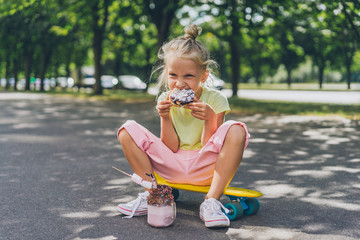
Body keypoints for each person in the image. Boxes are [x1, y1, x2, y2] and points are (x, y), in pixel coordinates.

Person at [116, 24, 250, 228]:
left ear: (203, 76)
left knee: (237, 128)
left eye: (188, 76)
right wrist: (166, 117)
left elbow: (210, 146)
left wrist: (210, 119)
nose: (180, 83)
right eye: (173, 76)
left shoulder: (216, 99)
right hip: (171, 165)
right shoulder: (164, 97)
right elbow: (170, 147)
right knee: (127, 129)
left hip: (205, 167)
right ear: (166, 74)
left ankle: (211, 202)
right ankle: (154, 194)